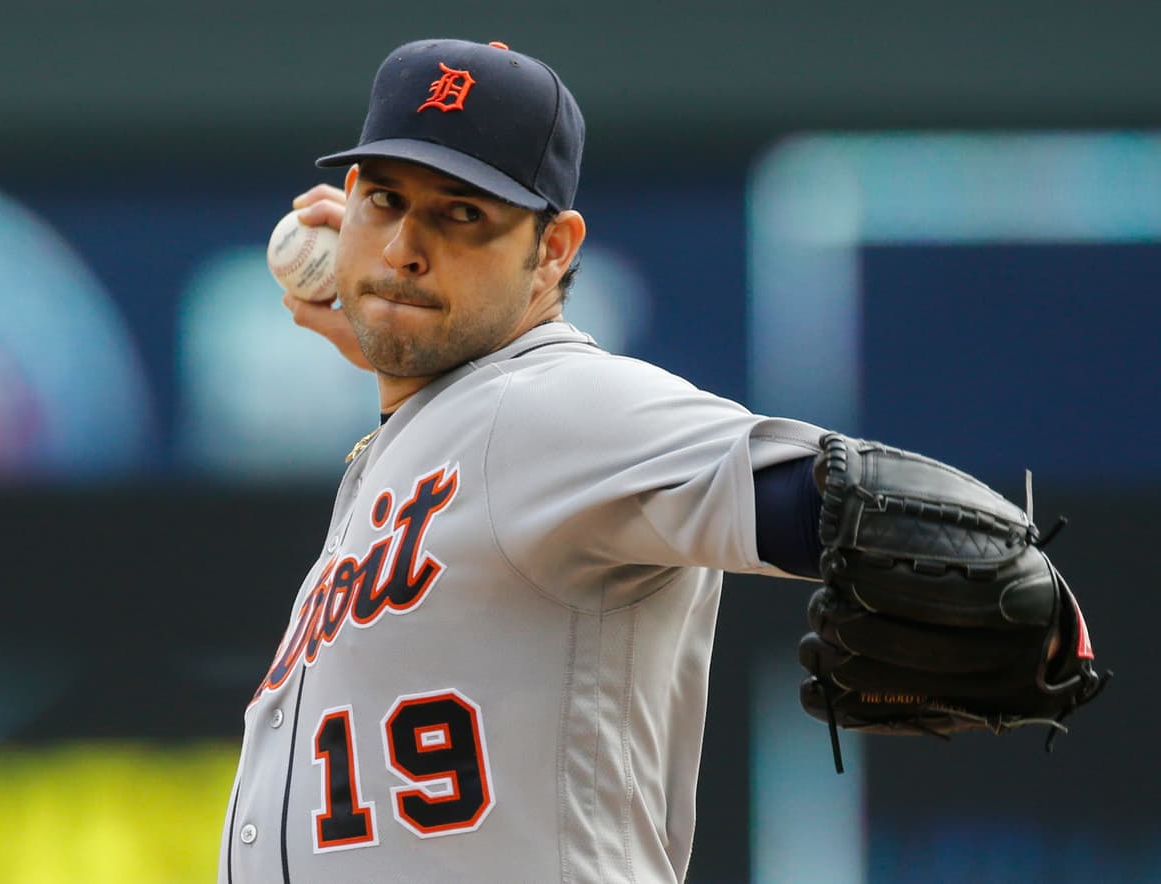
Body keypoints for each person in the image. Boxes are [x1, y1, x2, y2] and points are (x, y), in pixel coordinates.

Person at [220, 38, 1099, 883]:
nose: (408, 245)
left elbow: (848, 502)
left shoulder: (549, 406)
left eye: (462, 214)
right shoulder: (429, 434)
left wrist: (1024, 589)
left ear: (553, 251)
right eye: (384, 199)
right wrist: (394, 336)